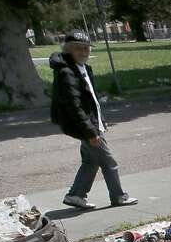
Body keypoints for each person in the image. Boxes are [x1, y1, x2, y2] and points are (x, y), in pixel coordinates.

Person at [50, 31, 136, 210]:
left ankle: (76, 195)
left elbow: (90, 101)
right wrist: (91, 132)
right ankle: (119, 196)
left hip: (92, 122)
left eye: (86, 48)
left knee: (91, 161)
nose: (83, 52)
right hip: (84, 126)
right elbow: (74, 107)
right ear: (68, 50)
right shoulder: (66, 72)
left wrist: (100, 121)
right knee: (108, 161)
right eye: (78, 49)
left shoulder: (84, 68)